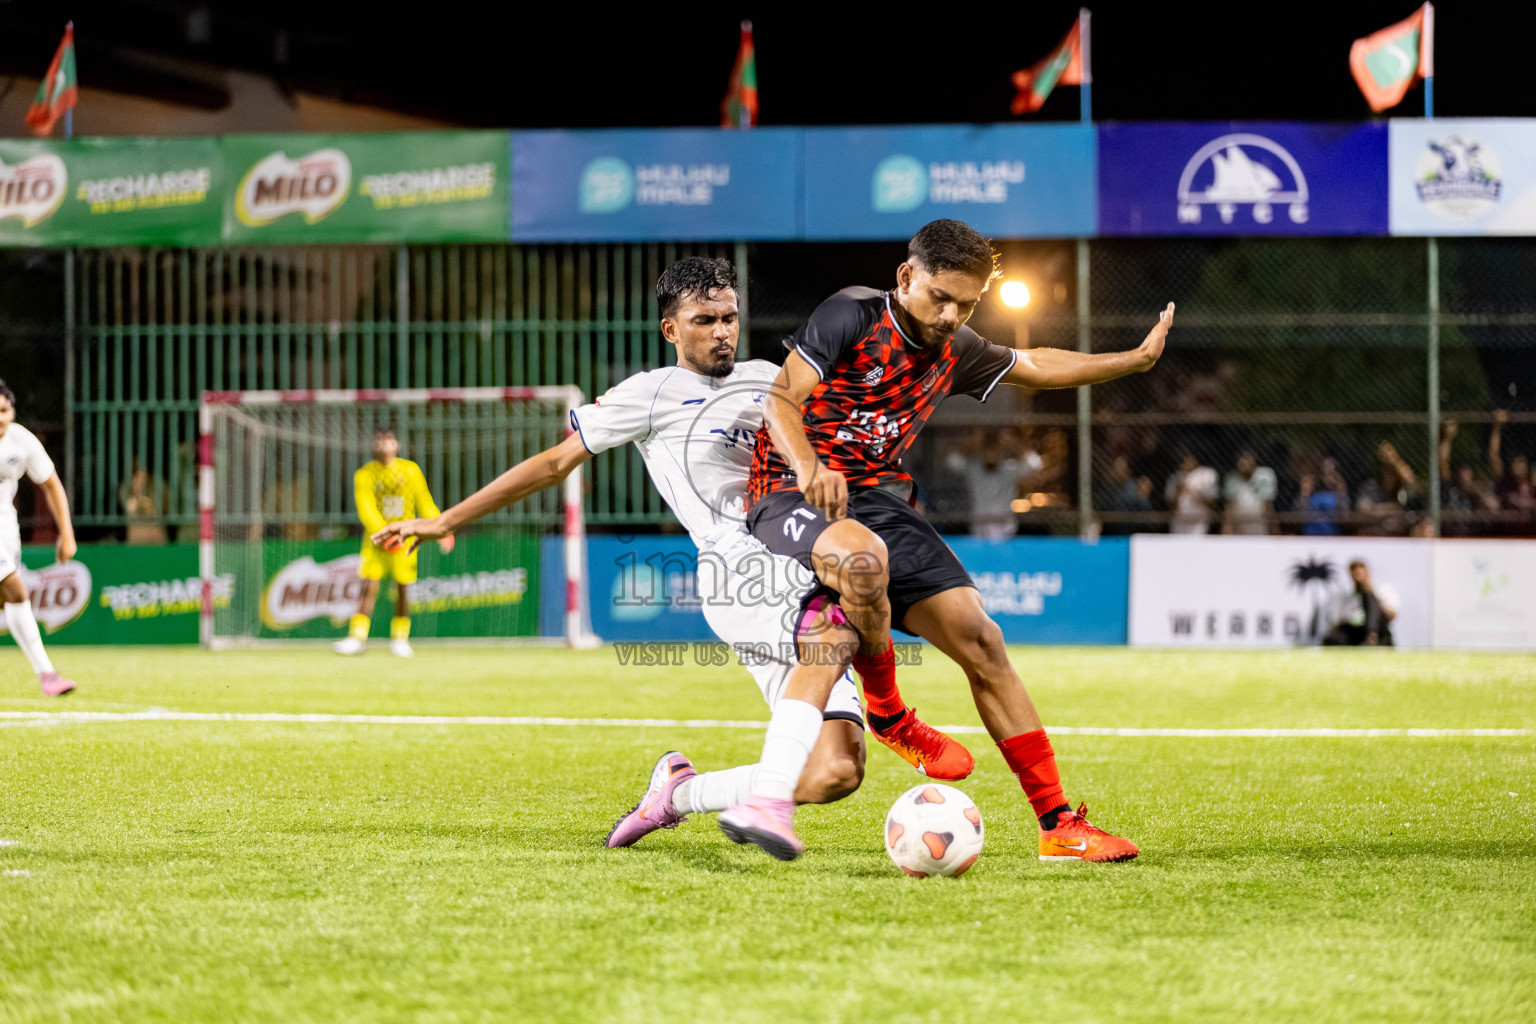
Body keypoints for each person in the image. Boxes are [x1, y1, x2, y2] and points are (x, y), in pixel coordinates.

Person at [375, 257, 867, 861]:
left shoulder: (770, 378)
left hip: (801, 562)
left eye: (730, 318)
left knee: (835, 771)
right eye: (704, 319)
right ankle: (774, 797)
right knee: (835, 634)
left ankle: (679, 794)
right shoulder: (650, 393)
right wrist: (446, 519)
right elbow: (554, 464)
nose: (721, 331)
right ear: (671, 330)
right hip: (741, 570)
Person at [746, 219, 1173, 863]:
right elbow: (781, 401)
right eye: (939, 297)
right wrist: (808, 466)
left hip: (874, 498)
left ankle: (1059, 825)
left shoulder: (959, 347)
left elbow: (1036, 365)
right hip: (787, 489)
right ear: (905, 277)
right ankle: (889, 711)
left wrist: (1133, 360)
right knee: (863, 559)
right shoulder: (852, 314)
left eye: (966, 305)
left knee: (982, 638)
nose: (950, 315)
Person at [333, 427, 453, 658]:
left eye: (388, 440)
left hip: (405, 539)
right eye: (378, 440)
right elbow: (366, 508)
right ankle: (357, 638)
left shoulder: (410, 470)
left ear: (396, 444)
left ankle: (400, 639)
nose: (383, 444)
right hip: (377, 542)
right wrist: (384, 534)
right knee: (368, 588)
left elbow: (424, 502)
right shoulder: (365, 474)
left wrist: (442, 528)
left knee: (403, 590)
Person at [0, 379, 78, 696]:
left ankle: (46, 675)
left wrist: (67, 533)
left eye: (4, 410)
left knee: (7, 598)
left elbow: (50, 483)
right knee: (17, 591)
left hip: (6, 527)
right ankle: (47, 674)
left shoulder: (21, 441)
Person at [943, 427, 1040, 540]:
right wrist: (971, 441)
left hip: (1005, 526)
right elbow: (952, 461)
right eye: (988, 449)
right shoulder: (974, 468)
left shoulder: (1009, 468)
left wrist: (1013, 443)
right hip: (979, 526)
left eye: (995, 450)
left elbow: (1036, 464)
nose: (991, 454)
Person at [1321, 560, 1399, 647]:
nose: (1357, 573)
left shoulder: (1383, 590)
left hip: (1379, 630)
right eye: (1354, 571)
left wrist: (1370, 596)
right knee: (1334, 636)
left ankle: (1372, 636)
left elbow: (1392, 614)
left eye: (1361, 569)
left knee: (1368, 596)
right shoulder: (1346, 596)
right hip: (1356, 631)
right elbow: (1335, 620)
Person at [1355, 441, 1420, 537]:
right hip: (1374, 533)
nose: (1390, 475)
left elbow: (1412, 493)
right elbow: (1363, 509)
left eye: (1393, 470)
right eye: (1387, 470)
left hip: (1399, 535)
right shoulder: (1371, 486)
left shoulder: (1402, 489)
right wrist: (1394, 508)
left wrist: (1395, 462)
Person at [1222, 450, 1276, 536]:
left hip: (1260, 525)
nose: (1244, 467)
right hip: (1238, 526)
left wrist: (1273, 531)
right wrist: (1226, 531)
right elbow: (1229, 508)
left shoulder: (1266, 475)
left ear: (1254, 464)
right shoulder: (1232, 479)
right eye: (1242, 465)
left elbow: (1268, 506)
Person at [1164, 452, 1217, 535]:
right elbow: (1170, 505)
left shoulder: (1206, 474)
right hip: (1179, 522)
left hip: (1199, 521)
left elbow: (1212, 502)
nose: (1185, 463)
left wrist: (1194, 493)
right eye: (1182, 461)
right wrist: (1178, 493)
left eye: (1188, 459)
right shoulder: (1175, 478)